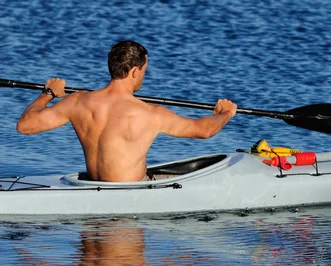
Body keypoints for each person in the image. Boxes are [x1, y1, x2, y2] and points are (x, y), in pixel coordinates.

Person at [16, 41, 237, 182]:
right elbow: (204, 130)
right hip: (129, 199)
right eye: (143, 70)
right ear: (134, 71)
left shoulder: (77, 102)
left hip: (92, 184)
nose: (143, 75)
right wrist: (225, 114)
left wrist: (48, 93)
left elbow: (25, 125)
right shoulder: (149, 114)